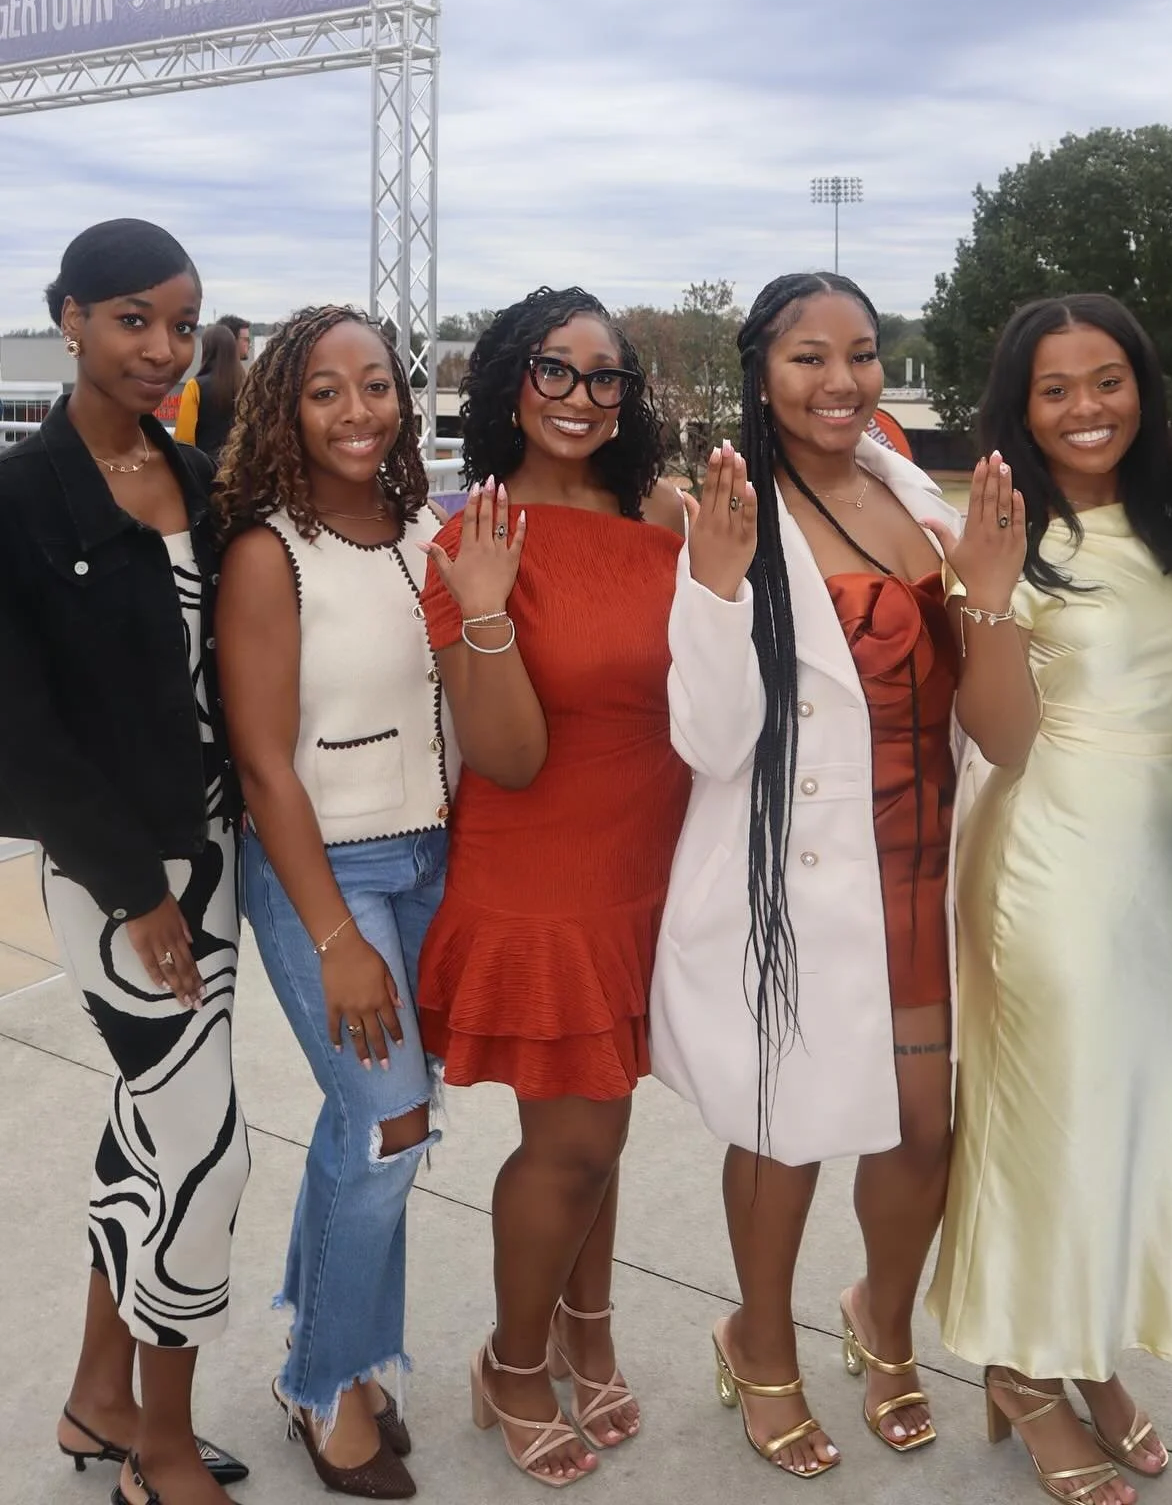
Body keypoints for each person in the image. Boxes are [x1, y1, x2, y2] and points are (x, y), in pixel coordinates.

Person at [650, 271, 963, 1479]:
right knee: (785, 1132)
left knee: (924, 1129)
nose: (841, 382)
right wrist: (718, 587)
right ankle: (760, 1340)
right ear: (761, 372)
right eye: (807, 358)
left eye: (863, 355)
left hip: (926, 860)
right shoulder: (735, 512)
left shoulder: (907, 489)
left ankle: (881, 1320)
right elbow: (712, 742)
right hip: (806, 866)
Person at [925, 294, 1172, 1505]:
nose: (1086, 407)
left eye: (1107, 380)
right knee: (1042, 1120)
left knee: (1126, 1115)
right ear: (1019, 408)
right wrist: (986, 592)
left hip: (1157, 867)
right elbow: (999, 733)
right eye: (1056, 388)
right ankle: (1021, 1372)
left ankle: (1085, 1352)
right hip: (1046, 858)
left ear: (1142, 389)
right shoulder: (999, 533)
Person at [416, 285, 691, 1489]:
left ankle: (588, 1332)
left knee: (606, 1126)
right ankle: (512, 1365)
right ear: (509, 383)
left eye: (605, 375)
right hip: (543, 875)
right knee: (570, 1142)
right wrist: (483, 615)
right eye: (555, 370)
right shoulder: (474, 537)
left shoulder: (661, 518)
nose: (583, 397)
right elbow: (512, 759)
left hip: (647, 867)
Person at [0, 219, 249, 1505]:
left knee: (143, 1135)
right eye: (132, 319)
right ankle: (159, 1440)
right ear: (71, 318)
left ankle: (97, 1401)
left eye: (182, 322)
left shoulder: (196, 476)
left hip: (216, 852)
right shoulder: (19, 497)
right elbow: (20, 734)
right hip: (119, 882)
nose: (161, 347)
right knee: (208, 1151)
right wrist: (140, 892)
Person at [214, 306, 464, 1498]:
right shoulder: (272, 551)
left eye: (377, 385)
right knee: (387, 1124)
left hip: (431, 860)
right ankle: (324, 1383)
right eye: (327, 391)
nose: (359, 411)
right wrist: (332, 938)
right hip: (332, 872)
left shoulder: (422, 526)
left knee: (366, 1125)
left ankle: (342, 1358)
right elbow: (264, 766)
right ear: (285, 409)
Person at [173, 322, 244, 461]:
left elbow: (184, 441)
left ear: (206, 349)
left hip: (204, 471)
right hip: (238, 469)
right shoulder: (246, 385)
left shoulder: (195, 386)